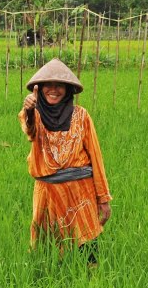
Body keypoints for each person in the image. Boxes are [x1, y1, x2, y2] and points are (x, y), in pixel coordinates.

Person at [18, 58, 112, 264]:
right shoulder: (34, 114)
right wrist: (30, 110)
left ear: (68, 89)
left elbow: (96, 157)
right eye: (48, 85)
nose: (53, 89)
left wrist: (103, 198)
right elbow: (30, 131)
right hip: (47, 193)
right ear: (39, 88)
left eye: (59, 85)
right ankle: (49, 276)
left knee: (87, 245)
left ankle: (91, 279)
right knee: (45, 247)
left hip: (81, 192)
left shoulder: (81, 116)